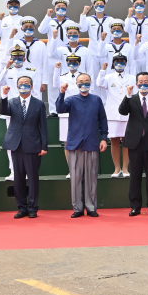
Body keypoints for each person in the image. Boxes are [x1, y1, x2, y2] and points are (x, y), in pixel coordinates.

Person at [56, 73, 108, 218]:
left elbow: (103, 119)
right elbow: (60, 109)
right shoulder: (71, 99)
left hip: (91, 142)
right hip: (75, 143)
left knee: (91, 177)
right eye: (80, 81)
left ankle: (91, 207)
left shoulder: (96, 100)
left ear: (91, 83)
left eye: (86, 81)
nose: (83, 84)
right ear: (76, 83)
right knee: (76, 177)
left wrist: (104, 138)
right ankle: (77, 208)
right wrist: (61, 93)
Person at [119, 72, 148, 216]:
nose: (143, 84)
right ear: (136, 84)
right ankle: (135, 206)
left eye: (146, 81)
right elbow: (122, 111)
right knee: (135, 175)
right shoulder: (131, 99)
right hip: (134, 142)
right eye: (140, 82)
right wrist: (127, 95)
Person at [0, 77, 48, 219]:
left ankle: (32, 208)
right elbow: (4, 111)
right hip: (16, 145)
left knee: (32, 178)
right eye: (21, 84)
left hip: (33, 145)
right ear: (17, 87)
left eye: (26, 84)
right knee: (18, 178)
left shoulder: (39, 104)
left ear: (31, 86)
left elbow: (43, 126)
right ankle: (21, 207)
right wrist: (4, 95)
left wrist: (44, 146)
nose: (23, 86)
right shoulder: (11, 102)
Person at [0, 44, 42, 181]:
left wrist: (36, 108)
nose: (17, 59)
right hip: (12, 109)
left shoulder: (31, 70)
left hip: (28, 108)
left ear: (24, 58)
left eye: (20, 56)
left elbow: (36, 91)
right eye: (14, 56)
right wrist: (6, 67)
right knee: (13, 142)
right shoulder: (7, 71)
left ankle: (27, 170)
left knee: (28, 140)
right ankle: (13, 170)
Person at [96, 55, 135, 177]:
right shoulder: (108, 77)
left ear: (126, 63)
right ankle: (117, 168)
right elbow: (99, 83)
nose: (119, 64)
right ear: (113, 64)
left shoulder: (132, 77)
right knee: (114, 141)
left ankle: (125, 168)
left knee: (127, 141)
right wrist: (103, 70)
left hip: (127, 113)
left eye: (122, 62)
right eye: (117, 62)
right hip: (113, 113)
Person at [39, 0, 71, 113]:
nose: (61, 9)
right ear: (54, 8)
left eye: (63, 7)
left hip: (65, 55)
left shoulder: (70, 23)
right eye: (58, 7)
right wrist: (47, 16)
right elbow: (41, 30)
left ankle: (66, 106)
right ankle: (53, 110)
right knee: (53, 84)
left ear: (66, 9)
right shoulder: (50, 22)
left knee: (66, 81)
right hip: (52, 56)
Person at [80, 0, 114, 85]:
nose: (99, 6)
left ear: (105, 6)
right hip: (93, 51)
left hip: (106, 52)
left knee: (106, 75)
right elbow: (82, 29)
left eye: (101, 4)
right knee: (93, 76)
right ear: (93, 6)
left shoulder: (110, 20)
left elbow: (112, 36)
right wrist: (84, 14)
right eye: (97, 4)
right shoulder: (89, 19)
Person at [7, 17, 48, 91]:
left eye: (31, 27)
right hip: (20, 77)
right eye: (26, 27)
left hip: (36, 78)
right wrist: (11, 35)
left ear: (34, 28)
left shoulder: (41, 44)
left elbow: (45, 64)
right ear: (22, 29)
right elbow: (7, 53)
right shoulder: (17, 42)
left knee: (36, 97)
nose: (28, 29)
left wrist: (44, 82)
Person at [0, 0, 24, 68]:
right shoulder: (2, 20)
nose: (13, 6)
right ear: (7, 6)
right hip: (5, 57)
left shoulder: (23, 20)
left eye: (15, 5)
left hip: (19, 56)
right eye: (11, 5)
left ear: (19, 6)